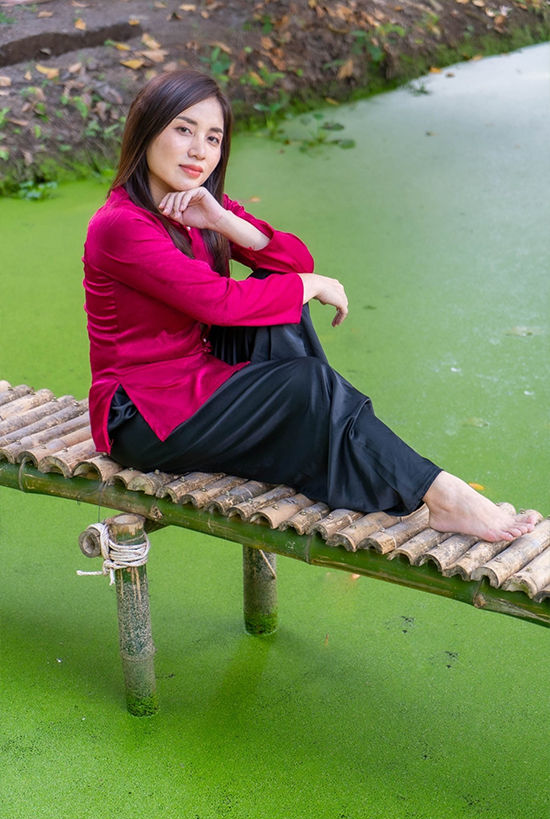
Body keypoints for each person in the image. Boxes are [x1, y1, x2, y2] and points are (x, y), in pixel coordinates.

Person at [83, 69, 536, 543]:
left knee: (282, 300)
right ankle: (443, 494)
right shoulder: (121, 226)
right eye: (184, 129)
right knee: (307, 376)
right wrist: (309, 284)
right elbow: (219, 302)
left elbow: (294, 262)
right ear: (147, 129)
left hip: (198, 381)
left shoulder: (197, 205)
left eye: (213, 138)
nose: (200, 150)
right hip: (142, 415)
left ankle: (326, 433)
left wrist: (221, 221)